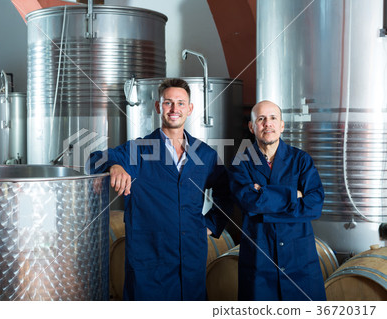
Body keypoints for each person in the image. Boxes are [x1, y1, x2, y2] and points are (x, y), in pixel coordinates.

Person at [86, 78, 232, 301]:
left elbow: (227, 191)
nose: (175, 109)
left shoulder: (205, 155)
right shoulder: (138, 150)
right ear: (157, 107)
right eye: (168, 103)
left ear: (190, 109)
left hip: (191, 257)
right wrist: (114, 166)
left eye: (181, 103)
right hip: (149, 259)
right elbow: (94, 160)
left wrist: (210, 225)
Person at [229, 100, 326, 301]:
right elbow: (250, 203)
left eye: (273, 118)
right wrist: (294, 195)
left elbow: (314, 205)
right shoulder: (241, 162)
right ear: (251, 126)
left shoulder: (301, 160)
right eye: (261, 119)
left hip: (300, 261)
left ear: (282, 125)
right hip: (259, 261)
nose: (268, 124)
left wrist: (264, 194)